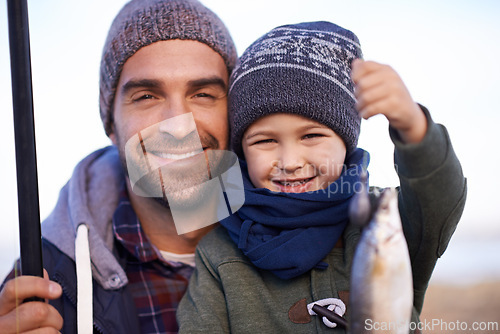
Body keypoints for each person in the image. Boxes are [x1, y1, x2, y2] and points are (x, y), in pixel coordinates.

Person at [176, 21, 467, 333]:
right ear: (242, 151)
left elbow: (440, 200)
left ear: (346, 142)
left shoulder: (386, 223)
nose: (289, 162)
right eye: (265, 141)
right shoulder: (218, 252)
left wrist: (412, 126)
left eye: (312, 136)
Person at [0, 0, 238, 333]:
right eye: (146, 96)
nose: (178, 124)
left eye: (203, 94)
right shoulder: (39, 284)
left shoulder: (312, 240)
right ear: (111, 124)